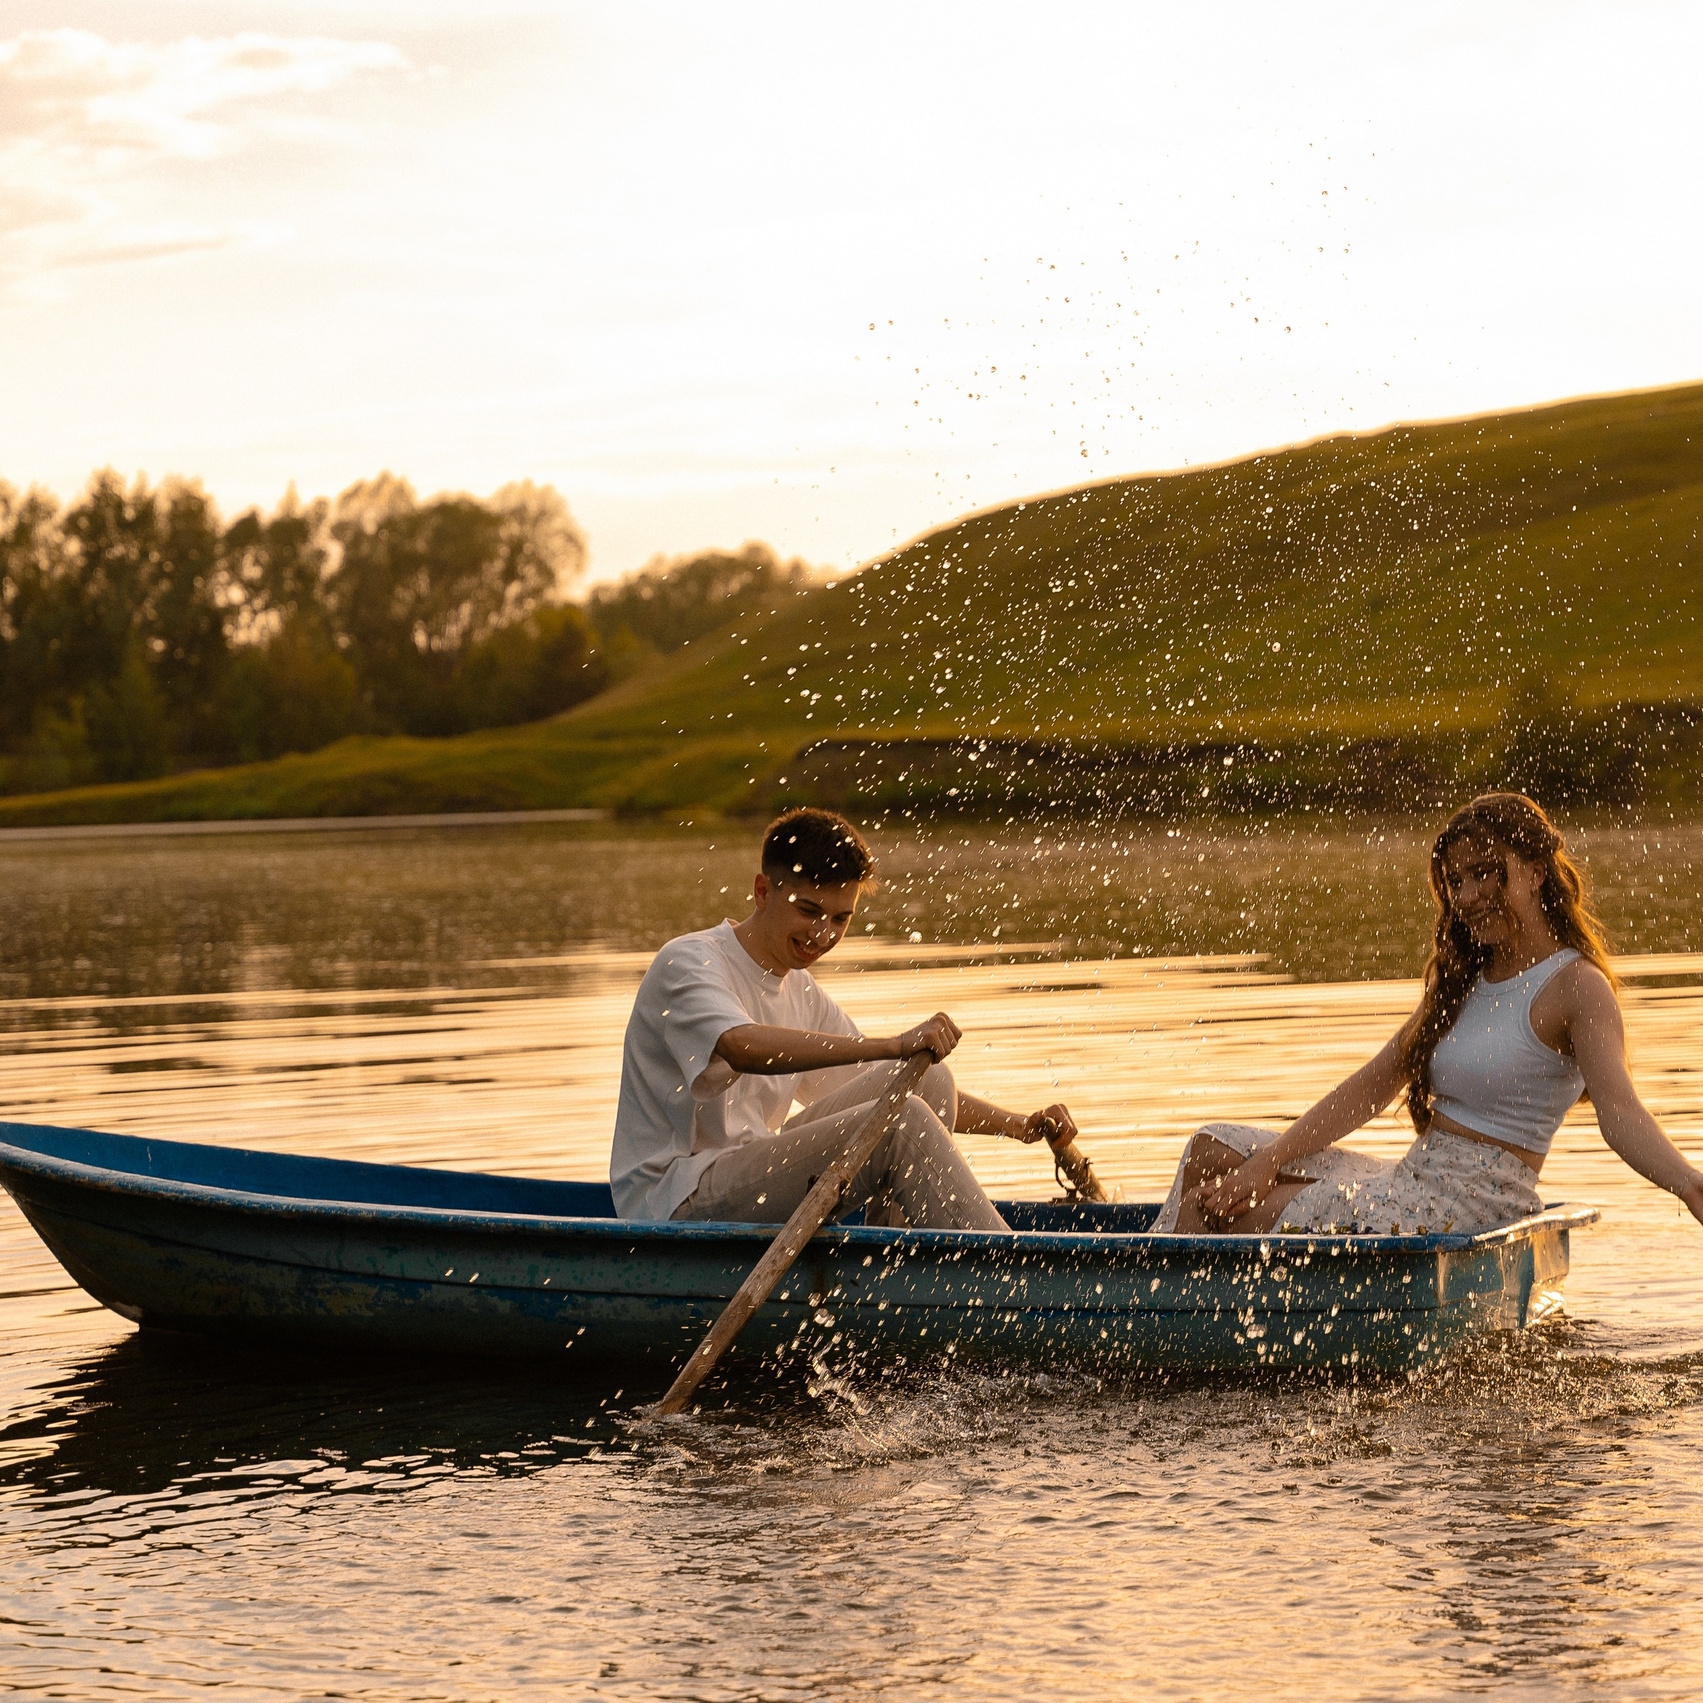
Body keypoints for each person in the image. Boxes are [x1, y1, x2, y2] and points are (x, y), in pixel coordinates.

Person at [1155, 791, 1703, 1236]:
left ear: (1535, 872)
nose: (1467, 896)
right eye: (1456, 881)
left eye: (1484, 873)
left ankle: (1150, 1316)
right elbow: (1371, 1086)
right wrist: (1269, 1160)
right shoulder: (1462, 979)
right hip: (1414, 1178)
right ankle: (1155, 1301)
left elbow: (1621, 1114)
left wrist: (1690, 1185)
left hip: (1471, 1207)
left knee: (1222, 1214)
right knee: (1209, 1149)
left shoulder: (1577, 987)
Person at [609, 806, 1078, 1229]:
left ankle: (890, 1258)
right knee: (903, 1122)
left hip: (748, 1172)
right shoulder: (689, 962)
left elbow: (887, 1078)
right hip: (677, 1198)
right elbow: (740, 1046)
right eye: (808, 911)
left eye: (839, 919)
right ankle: (1015, 1281)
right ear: (762, 892)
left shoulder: (801, 990)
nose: (822, 935)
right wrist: (892, 1044)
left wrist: (1019, 1125)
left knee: (927, 1082)